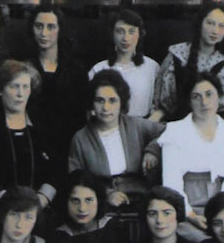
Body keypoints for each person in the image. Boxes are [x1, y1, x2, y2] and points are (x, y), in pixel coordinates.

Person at [0, 58, 60, 230]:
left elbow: (56, 168)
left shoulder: (42, 124)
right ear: (1, 90)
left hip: (38, 212)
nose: (20, 94)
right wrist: (5, 201)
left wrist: (42, 199)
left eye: (25, 87)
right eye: (14, 86)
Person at [157, 75, 224, 228]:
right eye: (196, 97)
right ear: (189, 101)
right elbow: (171, 182)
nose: (204, 102)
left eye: (209, 94)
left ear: (219, 97)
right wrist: (190, 216)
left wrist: (222, 217)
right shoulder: (175, 133)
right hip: (187, 209)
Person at [67, 69, 163, 212]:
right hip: (101, 206)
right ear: (92, 103)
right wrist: (106, 194)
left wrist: (153, 150)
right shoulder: (81, 139)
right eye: (100, 101)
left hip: (142, 201)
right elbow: (76, 179)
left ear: (121, 103)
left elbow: (170, 132)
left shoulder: (136, 125)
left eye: (112, 101)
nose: (106, 108)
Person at [26, 2, 89, 165]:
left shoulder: (76, 69)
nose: (44, 33)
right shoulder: (23, 67)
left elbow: (81, 115)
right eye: (39, 26)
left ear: (60, 29)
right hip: (33, 146)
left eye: (51, 27)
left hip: (68, 146)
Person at [155, 1, 224, 118]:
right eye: (210, 23)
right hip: (174, 126)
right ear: (200, 23)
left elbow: (222, 109)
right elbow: (161, 105)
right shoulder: (177, 54)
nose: (215, 31)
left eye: (221, 26)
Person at [87, 8, 161, 119]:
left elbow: (159, 106)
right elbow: (90, 110)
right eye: (120, 31)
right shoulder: (98, 69)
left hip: (142, 129)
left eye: (131, 32)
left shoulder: (152, 67)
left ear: (139, 34)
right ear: (112, 34)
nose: (126, 38)